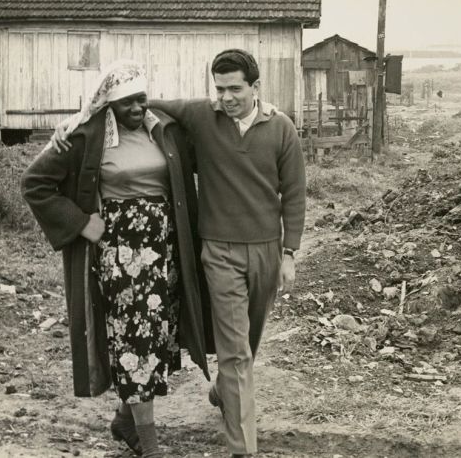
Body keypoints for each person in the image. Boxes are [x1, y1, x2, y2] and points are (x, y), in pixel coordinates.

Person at [52, 49, 307, 458]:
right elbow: (135, 101)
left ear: (255, 88)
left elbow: (294, 194)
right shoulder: (202, 115)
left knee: (248, 346)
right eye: (219, 89)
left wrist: (290, 253)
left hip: (266, 252)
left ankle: (224, 389)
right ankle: (243, 449)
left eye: (235, 89)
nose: (225, 98)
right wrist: (78, 120)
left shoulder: (282, 129)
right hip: (218, 251)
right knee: (236, 353)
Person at [22, 60, 212, 458]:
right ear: (108, 106)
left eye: (142, 99)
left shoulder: (162, 127)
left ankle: (127, 419)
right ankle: (150, 443)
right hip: (121, 259)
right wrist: (79, 223)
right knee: (136, 342)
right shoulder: (85, 137)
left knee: (156, 339)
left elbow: (194, 123)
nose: (137, 109)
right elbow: (35, 183)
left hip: (165, 252)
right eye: (126, 103)